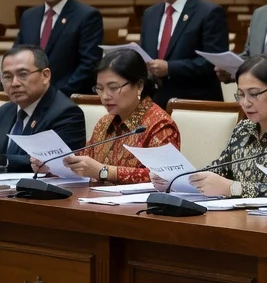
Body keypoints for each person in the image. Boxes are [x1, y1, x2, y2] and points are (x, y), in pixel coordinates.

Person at [158, 55, 267, 198]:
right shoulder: (243, 129)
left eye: (254, 94)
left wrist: (232, 188)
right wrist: (175, 178)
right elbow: (219, 169)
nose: (246, 103)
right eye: (241, 94)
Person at [43, 49, 182, 185]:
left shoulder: (160, 125)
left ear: (139, 86)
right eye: (100, 89)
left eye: (114, 88)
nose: (105, 96)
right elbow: (85, 163)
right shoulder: (104, 122)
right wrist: (51, 165)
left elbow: (165, 177)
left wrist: (104, 171)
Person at [138, 0, 228, 108]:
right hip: (156, 105)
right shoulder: (150, 14)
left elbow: (212, 63)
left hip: (195, 105)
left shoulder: (209, 12)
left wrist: (169, 68)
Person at [16, 0, 103, 97]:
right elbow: (17, 56)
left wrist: (57, 96)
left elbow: (89, 65)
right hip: (30, 96)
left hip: (68, 98)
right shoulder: (28, 16)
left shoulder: (87, 16)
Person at [0, 45, 87, 171]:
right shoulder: (5, 111)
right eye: (7, 77)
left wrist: (4, 161)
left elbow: (56, 163)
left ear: (45, 76)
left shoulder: (67, 114)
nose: (14, 83)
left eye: (23, 74)